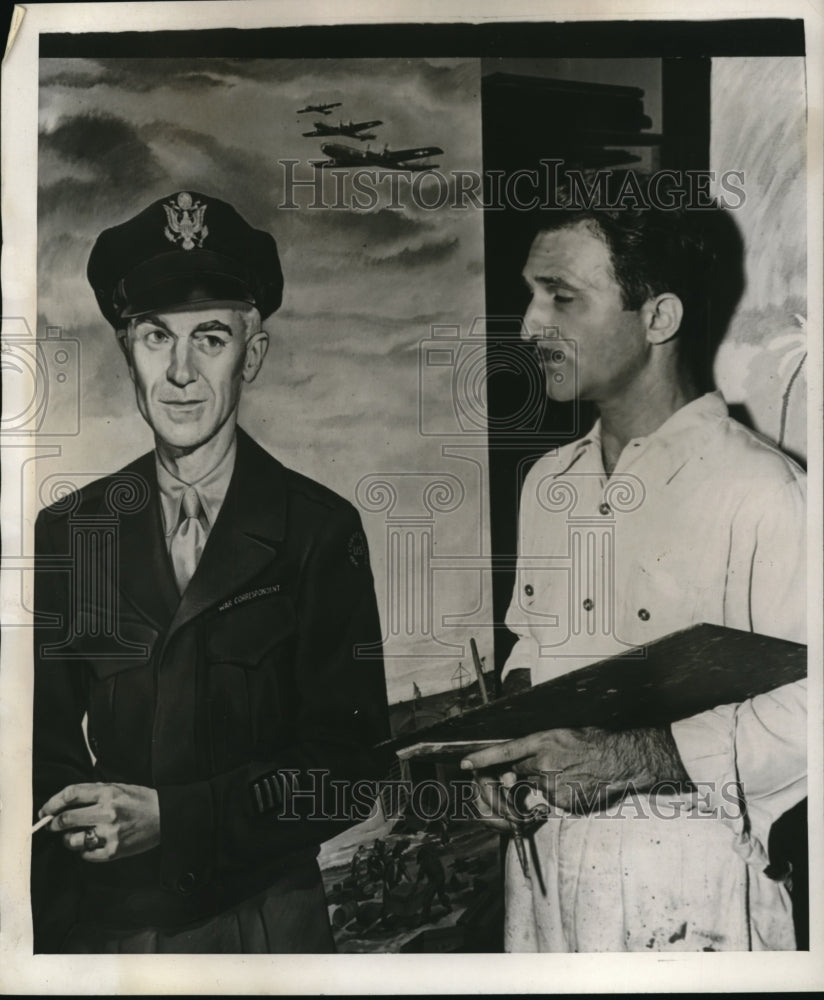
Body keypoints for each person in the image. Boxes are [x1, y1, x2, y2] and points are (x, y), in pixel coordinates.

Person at [31, 191, 389, 953]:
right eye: (157, 337)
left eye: (212, 338)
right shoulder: (74, 533)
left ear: (251, 355)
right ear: (127, 349)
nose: (181, 373)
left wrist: (176, 820)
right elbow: (39, 743)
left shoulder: (318, 532)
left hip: (267, 927)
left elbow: (350, 770)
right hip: (111, 932)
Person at [462, 179, 807, 952]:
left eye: (562, 299)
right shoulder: (548, 486)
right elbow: (531, 657)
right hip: (546, 890)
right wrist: (500, 762)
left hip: (694, 898)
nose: (529, 325)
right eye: (530, 297)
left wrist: (634, 759)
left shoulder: (763, 491)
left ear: (659, 316)